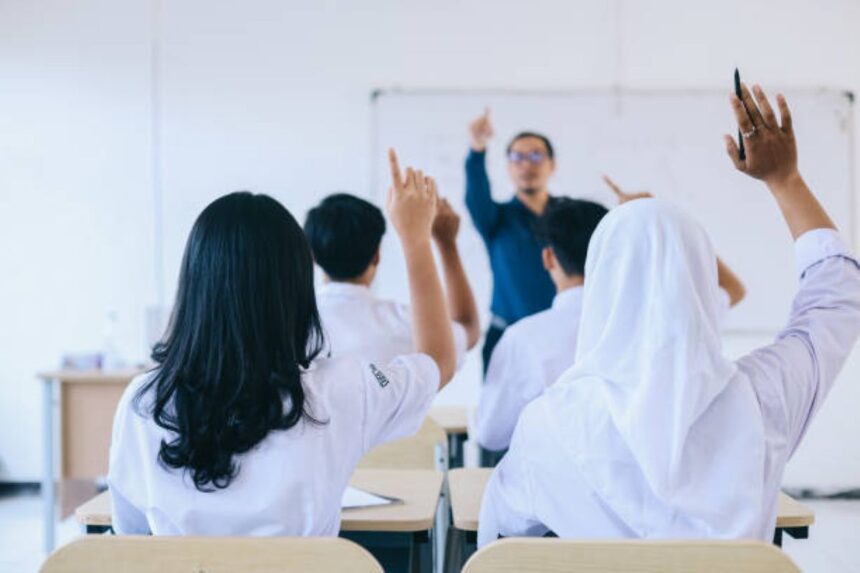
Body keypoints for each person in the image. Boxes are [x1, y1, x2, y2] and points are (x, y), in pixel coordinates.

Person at [478, 83, 860, 544]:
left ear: (601, 280)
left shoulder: (547, 422)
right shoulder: (764, 397)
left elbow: (498, 540)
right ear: (701, 274)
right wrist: (786, 180)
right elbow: (836, 297)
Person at [108, 150, 457, 536]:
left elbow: (133, 545)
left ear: (194, 285)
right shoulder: (340, 390)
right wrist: (416, 239)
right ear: (296, 289)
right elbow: (437, 361)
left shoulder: (143, 402)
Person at [474, 189, 746, 455]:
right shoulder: (665, 321)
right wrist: (662, 220)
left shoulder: (523, 338)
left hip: (559, 488)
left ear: (548, 258)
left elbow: (490, 434)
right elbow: (734, 289)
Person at [305, 192, 480, 366]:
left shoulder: (294, 324)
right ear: (377, 256)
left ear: (312, 256)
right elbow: (467, 330)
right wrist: (447, 243)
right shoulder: (407, 324)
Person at [466, 109, 560, 370]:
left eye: (536, 156)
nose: (526, 164)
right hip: (506, 337)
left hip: (558, 337)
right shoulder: (496, 219)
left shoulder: (567, 217)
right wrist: (477, 148)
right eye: (517, 157)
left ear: (552, 165)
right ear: (508, 166)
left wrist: (632, 213)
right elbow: (476, 195)